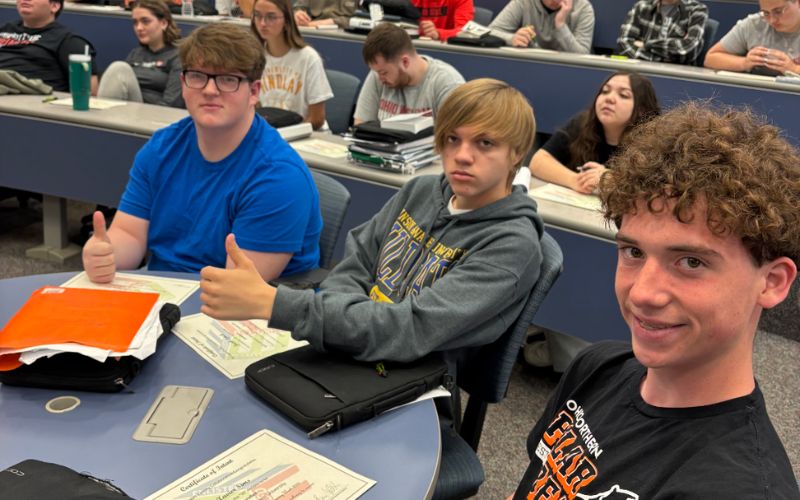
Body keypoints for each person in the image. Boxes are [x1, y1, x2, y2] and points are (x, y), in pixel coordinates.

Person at [513, 102, 800, 499]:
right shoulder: (597, 367)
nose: (643, 293)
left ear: (771, 282)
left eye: (691, 262)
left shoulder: (739, 489)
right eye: (633, 252)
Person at [198, 78, 544, 377]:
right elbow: (356, 263)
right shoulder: (421, 191)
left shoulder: (512, 244)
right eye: (452, 139)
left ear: (516, 153)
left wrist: (276, 304)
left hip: (410, 386)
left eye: (485, 143)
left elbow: (408, 330)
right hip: (347, 349)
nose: (463, 155)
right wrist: (346, 323)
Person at [81, 23, 322, 283]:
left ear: (254, 92)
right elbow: (129, 233)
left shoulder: (278, 176)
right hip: (166, 287)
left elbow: (238, 285)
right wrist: (106, 255)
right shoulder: (161, 148)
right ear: (183, 84)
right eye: (197, 76)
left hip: (239, 300)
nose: (209, 90)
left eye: (227, 79)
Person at [528, 71, 660, 194]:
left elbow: (657, 188)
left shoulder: (653, 140)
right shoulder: (582, 123)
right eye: (605, 91)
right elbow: (538, 161)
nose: (609, 98)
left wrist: (613, 179)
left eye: (623, 95)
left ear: (641, 110)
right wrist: (575, 180)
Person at [353, 23, 464, 124]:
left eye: (384, 73)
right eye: (377, 72)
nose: (380, 79)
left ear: (405, 62)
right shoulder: (378, 74)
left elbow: (454, 136)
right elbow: (360, 125)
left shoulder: (447, 83)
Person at [251, 0, 333, 130]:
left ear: (286, 21)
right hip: (271, 133)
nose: (262, 23)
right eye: (257, 15)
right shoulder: (255, 57)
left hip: (304, 134)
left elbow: (317, 119)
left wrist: (285, 135)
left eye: (271, 17)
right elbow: (255, 109)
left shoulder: (308, 58)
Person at [96, 0, 183, 108]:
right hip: (127, 111)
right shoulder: (136, 53)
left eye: (145, 21)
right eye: (135, 22)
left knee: (118, 68)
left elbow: (171, 103)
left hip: (157, 114)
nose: (139, 28)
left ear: (163, 23)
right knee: (118, 69)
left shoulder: (178, 56)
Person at [0, 0, 98, 92]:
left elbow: (88, 91)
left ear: (54, 6)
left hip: (32, 97)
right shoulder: (5, 28)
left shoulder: (69, 40)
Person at [704, 0, 800, 75]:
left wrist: (794, 69)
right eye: (766, 13)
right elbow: (711, 58)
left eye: (778, 12)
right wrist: (744, 63)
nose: (772, 20)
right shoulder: (753, 25)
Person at [617, 0, 708, 65]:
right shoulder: (641, 7)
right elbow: (623, 43)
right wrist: (660, 60)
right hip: (641, 71)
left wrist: (646, 45)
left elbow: (688, 49)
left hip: (677, 76)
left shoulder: (697, 10)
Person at [488, 0, 595, 53]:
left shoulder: (583, 8)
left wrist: (561, 25)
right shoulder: (523, 2)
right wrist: (512, 39)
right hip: (528, 65)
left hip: (566, 70)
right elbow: (490, 32)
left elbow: (582, 54)